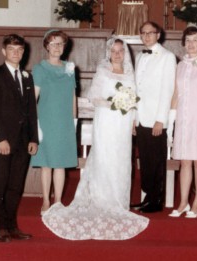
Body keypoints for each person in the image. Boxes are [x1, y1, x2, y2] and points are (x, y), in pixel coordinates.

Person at [42, 37, 148, 240]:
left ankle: (118, 202)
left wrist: (133, 117)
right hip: (107, 119)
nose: (117, 54)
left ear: (125, 53)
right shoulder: (103, 71)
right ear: (109, 53)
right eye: (114, 51)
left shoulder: (130, 73)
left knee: (121, 160)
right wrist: (113, 101)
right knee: (104, 158)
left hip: (123, 123)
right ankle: (100, 200)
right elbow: (93, 97)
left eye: (121, 51)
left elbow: (134, 99)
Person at [0, 34, 39, 243]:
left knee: (16, 186)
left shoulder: (27, 76)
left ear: (23, 52)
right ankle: (1, 228)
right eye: (12, 49)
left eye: (20, 50)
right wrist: (0, 139)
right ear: (3, 51)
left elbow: (31, 110)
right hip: (3, 141)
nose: (16, 53)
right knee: (0, 185)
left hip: (23, 142)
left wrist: (33, 138)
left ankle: (12, 226)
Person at [167, 27, 197, 218]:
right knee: (184, 162)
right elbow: (176, 93)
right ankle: (183, 202)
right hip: (183, 119)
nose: (191, 44)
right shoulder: (180, 65)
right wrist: (172, 121)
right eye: (188, 40)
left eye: (195, 40)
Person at [30, 29, 78, 214]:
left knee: (61, 163)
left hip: (65, 122)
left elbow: (73, 96)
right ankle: (45, 201)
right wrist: (35, 125)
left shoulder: (70, 68)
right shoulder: (40, 68)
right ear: (47, 47)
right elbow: (33, 98)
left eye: (60, 43)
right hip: (46, 121)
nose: (57, 47)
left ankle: (58, 201)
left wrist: (74, 121)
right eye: (53, 44)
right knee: (47, 163)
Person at [132, 21, 176, 213]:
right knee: (146, 161)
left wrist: (161, 119)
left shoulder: (167, 57)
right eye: (143, 33)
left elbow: (167, 89)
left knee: (156, 162)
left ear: (158, 35)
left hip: (156, 119)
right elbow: (135, 88)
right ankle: (147, 197)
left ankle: (156, 201)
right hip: (141, 117)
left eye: (151, 33)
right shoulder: (140, 56)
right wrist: (134, 118)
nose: (147, 36)